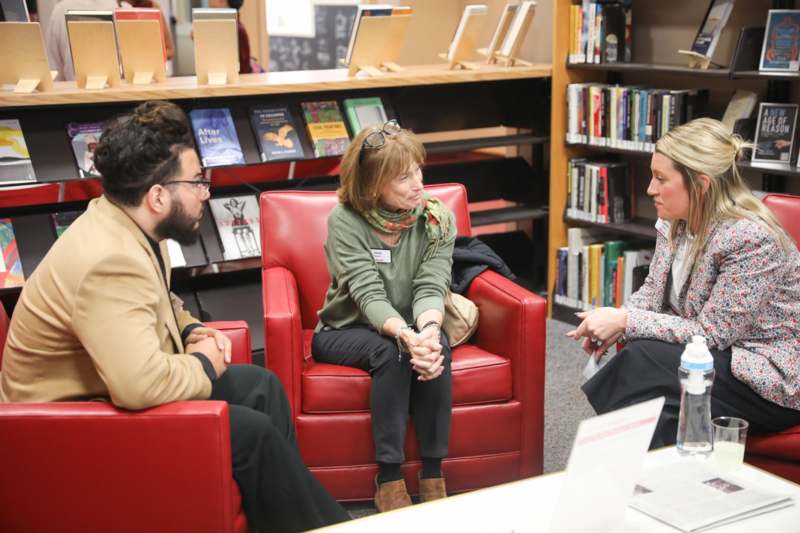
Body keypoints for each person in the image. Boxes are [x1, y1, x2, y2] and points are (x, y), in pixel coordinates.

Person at [0, 101, 349, 533]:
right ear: (158, 195)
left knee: (263, 387)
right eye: (197, 181)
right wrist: (205, 362)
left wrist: (193, 330)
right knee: (252, 434)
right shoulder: (109, 260)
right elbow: (138, 387)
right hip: (64, 431)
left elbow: (158, 299)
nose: (207, 192)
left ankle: (283, 516)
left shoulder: (131, 224)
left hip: (101, 389)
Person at [568, 117, 800, 447]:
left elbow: (713, 333)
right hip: (711, 361)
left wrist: (625, 321)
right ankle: (650, 488)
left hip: (765, 378)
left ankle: (603, 463)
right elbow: (651, 293)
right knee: (659, 411)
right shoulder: (676, 223)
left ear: (701, 185)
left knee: (642, 359)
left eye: (661, 179)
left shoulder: (750, 238)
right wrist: (615, 322)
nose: (650, 189)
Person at [311, 120, 456, 512]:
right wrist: (406, 337)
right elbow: (367, 293)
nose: (418, 184)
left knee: (438, 346)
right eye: (403, 178)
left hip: (410, 322)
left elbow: (431, 284)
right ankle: (389, 478)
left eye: (417, 171)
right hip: (345, 328)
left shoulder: (436, 219)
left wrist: (425, 331)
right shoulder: (345, 220)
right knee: (393, 352)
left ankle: (432, 473)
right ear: (373, 185)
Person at [45, 0, 123, 81]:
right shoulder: (121, 9)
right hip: (117, 91)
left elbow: (54, 73)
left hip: (72, 90)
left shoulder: (59, 10)